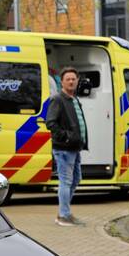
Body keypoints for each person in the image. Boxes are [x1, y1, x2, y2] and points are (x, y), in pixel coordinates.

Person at [46, 67, 87, 227]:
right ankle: (64, 216)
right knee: (66, 181)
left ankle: (64, 212)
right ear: (62, 82)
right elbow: (51, 122)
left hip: (75, 148)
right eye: (68, 79)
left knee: (76, 179)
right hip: (64, 148)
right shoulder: (58, 99)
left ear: (77, 81)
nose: (71, 81)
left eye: (73, 79)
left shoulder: (74, 99)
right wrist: (66, 137)